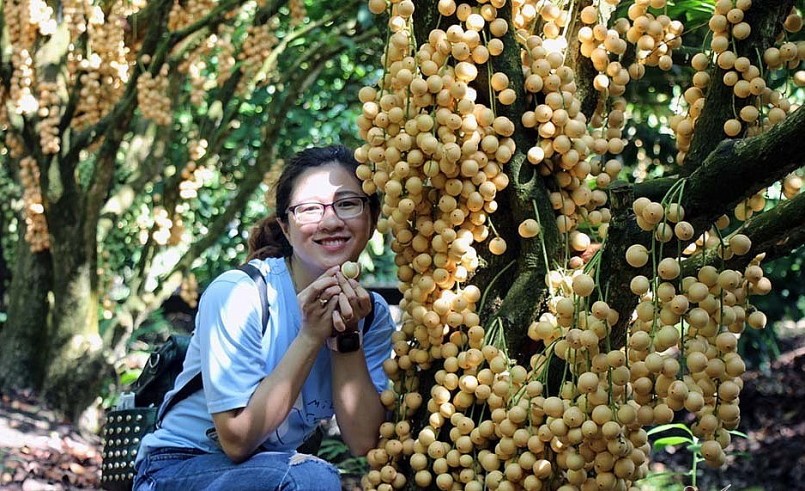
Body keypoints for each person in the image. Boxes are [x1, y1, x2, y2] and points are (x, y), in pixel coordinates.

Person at [133, 145, 395, 490]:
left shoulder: (371, 315)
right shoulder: (239, 294)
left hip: (268, 471)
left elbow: (363, 442)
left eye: (348, 204)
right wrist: (311, 335)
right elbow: (237, 440)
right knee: (311, 478)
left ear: (372, 219)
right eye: (310, 209)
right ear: (286, 227)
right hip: (176, 467)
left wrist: (346, 338)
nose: (331, 221)